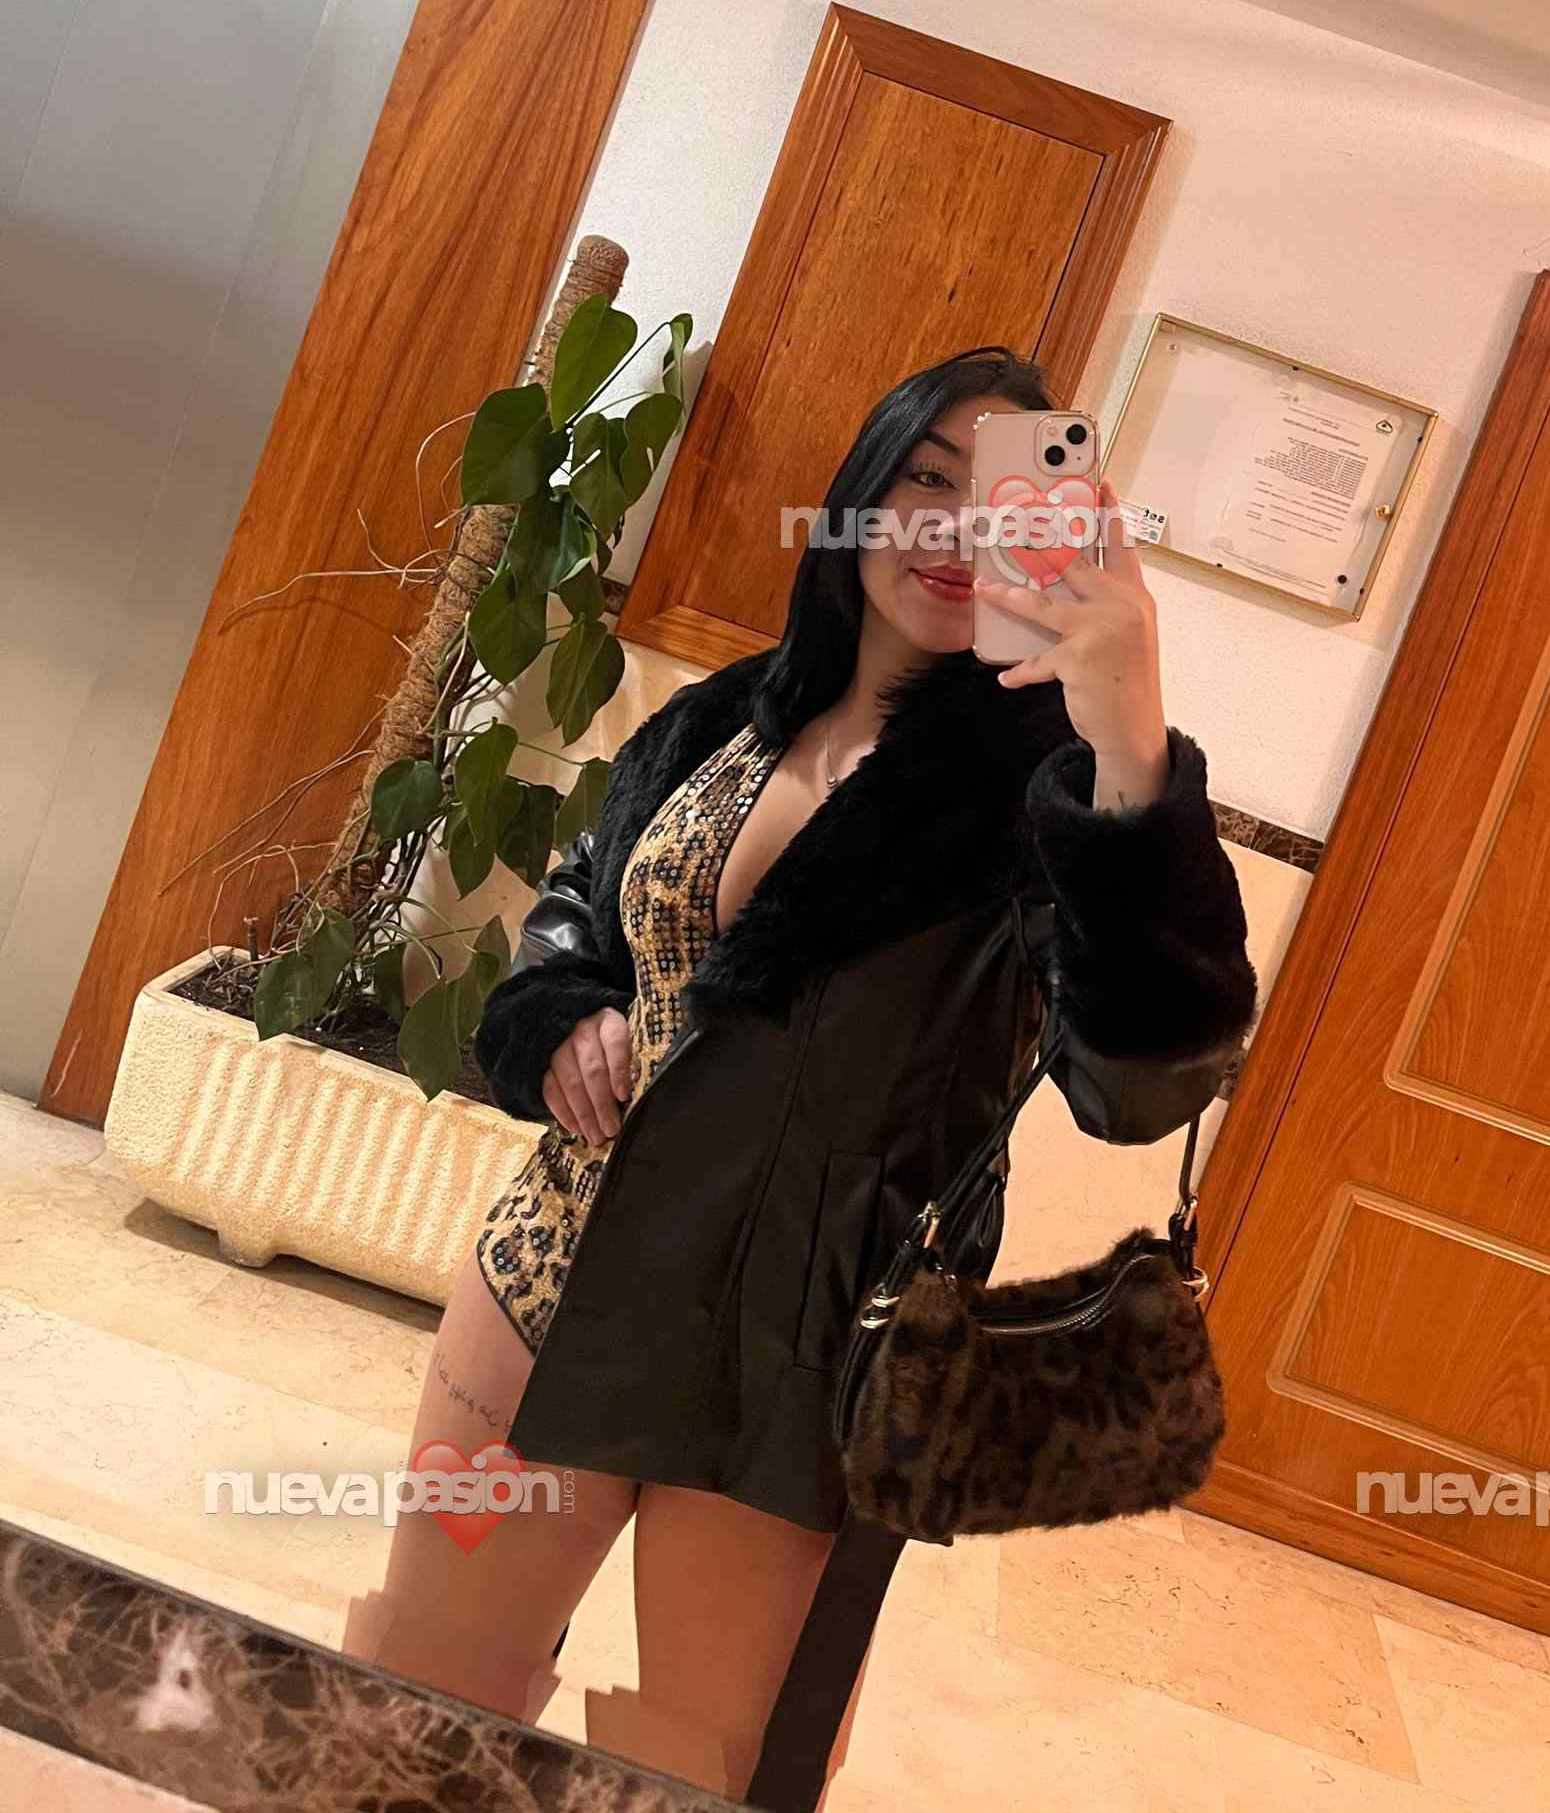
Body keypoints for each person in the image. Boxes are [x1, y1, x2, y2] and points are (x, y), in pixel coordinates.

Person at [342, 345, 1256, 1806]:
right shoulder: (729, 713)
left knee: (699, 1764)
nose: (952, 531)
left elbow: (1141, 1086)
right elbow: (582, 908)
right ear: (858, 499)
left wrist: (1131, 739)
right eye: (925, 482)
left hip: (806, 1356)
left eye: (999, 502)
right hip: (554, 1275)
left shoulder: (1052, 793)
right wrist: (562, 1016)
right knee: (428, 1685)